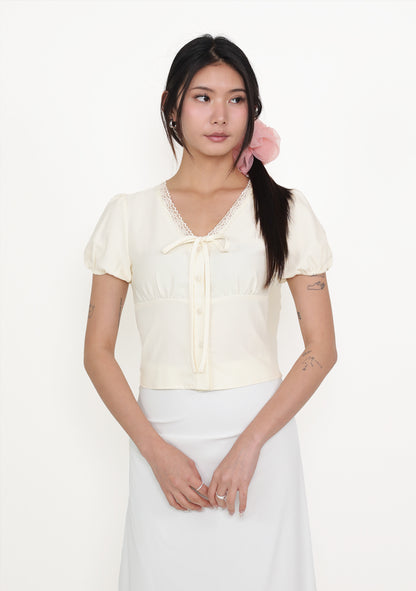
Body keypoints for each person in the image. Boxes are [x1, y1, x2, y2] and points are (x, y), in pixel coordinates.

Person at [83, 33, 337, 591]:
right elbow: (97, 352)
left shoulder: (286, 211)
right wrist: (155, 453)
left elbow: (322, 349)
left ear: (252, 110)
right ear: (172, 106)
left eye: (236, 99)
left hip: (261, 436)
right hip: (160, 438)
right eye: (202, 97)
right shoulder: (128, 216)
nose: (220, 115)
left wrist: (251, 445)